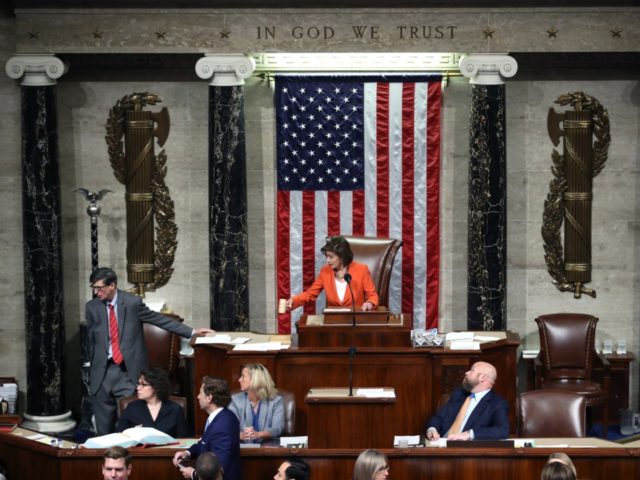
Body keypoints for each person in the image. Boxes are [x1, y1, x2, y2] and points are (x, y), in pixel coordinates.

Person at [86, 267, 213, 435]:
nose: (96, 292)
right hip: (102, 374)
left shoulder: (131, 303)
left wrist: (191, 332)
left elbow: (159, 319)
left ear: (112, 285)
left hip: (128, 372)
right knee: (103, 430)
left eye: (99, 288)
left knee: (127, 427)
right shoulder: (92, 307)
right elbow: (90, 340)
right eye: (93, 288)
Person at [173, 377, 241, 480]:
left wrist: (193, 474)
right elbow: (204, 443)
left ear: (209, 397)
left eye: (200, 393)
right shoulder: (219, 417)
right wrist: (187, 453)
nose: (198, 397)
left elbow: (220, 468)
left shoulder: (222, 425)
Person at [286, 236, 379, 311]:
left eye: (331, 257)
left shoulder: (362, 269)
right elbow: (310, 294)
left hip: (356, 321)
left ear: (342, 257)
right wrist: (294, 300)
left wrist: (369, 303)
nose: (327, 260)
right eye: (326, 256)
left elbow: (372, 295)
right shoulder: (325, 271)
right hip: (333, 323)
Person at [425, 361, 509, 441]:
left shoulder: (497, 403)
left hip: (466, 450)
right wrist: (432, 429)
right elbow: (438, 418)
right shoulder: (459, 394)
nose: (466, 372)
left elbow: (502, 430)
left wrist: (469, 434)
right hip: (441, 445)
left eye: (471, 370)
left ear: (483, 377)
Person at [116, 366, 190, 437]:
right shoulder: (131, 408)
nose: (138, 388)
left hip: (167, 449)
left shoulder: (175, 409)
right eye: (138, 384)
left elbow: (183, 440)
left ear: (156, 387)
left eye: (143, 385)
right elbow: (120, 436)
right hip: (139, 449)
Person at [229, 363, 285, 443]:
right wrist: (242, 435)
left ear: (255, 380)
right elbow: (230, 427)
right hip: (242, 449)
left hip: (268, 448)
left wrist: (258, 434)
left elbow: (278, 428)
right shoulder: (235, 400)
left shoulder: (276, 401)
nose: (239, 380)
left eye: (243, 376)